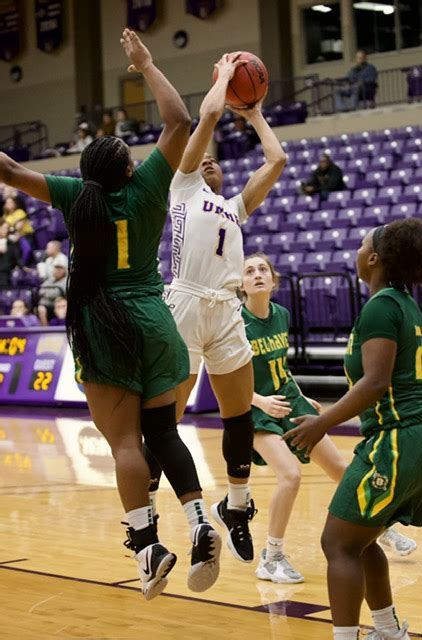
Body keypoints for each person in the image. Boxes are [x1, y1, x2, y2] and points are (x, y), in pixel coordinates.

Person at [0, 28, 221, 601]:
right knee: (164, 431)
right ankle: (199, 520)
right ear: (127, 169)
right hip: (154, 317)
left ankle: (147, 548)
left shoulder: (77, 196)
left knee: (126, 443)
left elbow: (9, 172)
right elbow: (178, 121)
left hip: (104, 325)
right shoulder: (149, 187)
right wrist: (145, 65)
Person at [146, 53, 287, 565]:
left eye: (213, 161)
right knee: (169, 421)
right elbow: (203, 119)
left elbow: (276, 162)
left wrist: (253, 116)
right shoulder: (181, 186)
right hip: (183, 301)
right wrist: (225, 81)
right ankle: (148, 516)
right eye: (201, 158)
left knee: (238, 418)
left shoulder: (236, 206)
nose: (207, 161)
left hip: (225, 311)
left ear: (225, 173)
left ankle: (238, 505)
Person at [284, 218, 422, 640]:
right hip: (410, 437)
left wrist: (320, 423)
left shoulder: (382, 305)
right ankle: (387, 630)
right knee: (359, 540)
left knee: (338, 543)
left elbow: (376, 382)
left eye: (363, 242)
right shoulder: (403, 301)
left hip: (397, 439)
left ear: (374, 258)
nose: (358, 247)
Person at [241, 252, 417, 586]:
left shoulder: (280, 314)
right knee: (290, 476)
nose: (258, 274)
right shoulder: (237, 323)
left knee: (341, 468)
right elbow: (227, 376)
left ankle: (381, 527)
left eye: (263, 269)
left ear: (274, 281)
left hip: (289, 401)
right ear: (241, 285)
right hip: (256, 409)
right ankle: (272, 556)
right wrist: (260, 400)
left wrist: (298, 393)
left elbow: (280, 366)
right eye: (249, 271)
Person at [0, 221, 20, 288]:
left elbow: (16, 256)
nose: (7, 230)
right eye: (5, 228)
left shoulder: (11, 242)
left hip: (4, 272)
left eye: (8, 228)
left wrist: (20, 265)